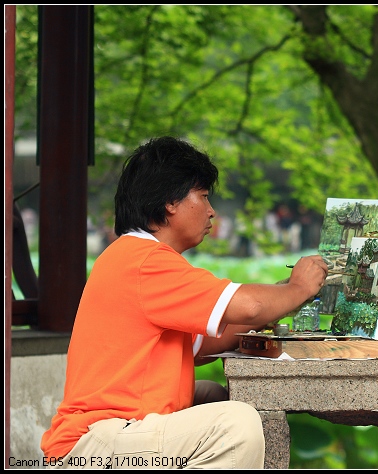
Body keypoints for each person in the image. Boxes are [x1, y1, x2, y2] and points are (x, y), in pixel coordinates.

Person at [40, 136, 328, 469]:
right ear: (170, 202)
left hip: (112, 434)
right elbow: (247, 305)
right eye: (203, 196)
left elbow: (203, 345)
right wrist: (299, 288)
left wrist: (281, 299)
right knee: (236, 425)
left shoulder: (132, 257)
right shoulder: (145, 260)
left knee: (212, 395)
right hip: (93, 444)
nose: (211, 211)